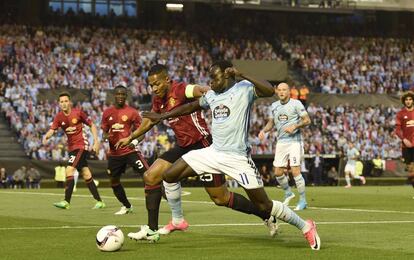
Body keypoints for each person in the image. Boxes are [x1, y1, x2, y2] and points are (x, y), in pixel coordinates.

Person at [143, 61, 320, 250]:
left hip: (238, 158)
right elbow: (190, 107)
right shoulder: (212, 95)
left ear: (228, 75)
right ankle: (178, 220)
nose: (210, 82)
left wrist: (242, 74)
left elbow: (269, 90)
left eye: (214, 77)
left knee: (264, 206)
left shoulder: (244, 89)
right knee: (169, 175)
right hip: (213, 152)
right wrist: (162, 117)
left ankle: (305, 225)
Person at [116, 64, 277, 242]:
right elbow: (149, 122)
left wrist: (220, 92)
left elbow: (202, 90)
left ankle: (265, 214)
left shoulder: (182, 89)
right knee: (151, 176)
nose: (154, 89)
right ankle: (154, 229)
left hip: (203, 144)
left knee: (220, 198)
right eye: (151, 85)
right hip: (183, 146)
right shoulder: (158, 100)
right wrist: (132, 138)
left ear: (167, 80)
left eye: (157, 84)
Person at [43, 92, 105, 209]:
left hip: (81, 145)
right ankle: (100, 201)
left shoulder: (78, 113)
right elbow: (52, 129)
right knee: (86, 173)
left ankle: (66, 202)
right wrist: (47, 136)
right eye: (61, 102)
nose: (64, 104)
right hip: (72, 148)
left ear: (70, 102)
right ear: (59, 104)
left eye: (66, 101)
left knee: (69, 170)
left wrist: (96, 141)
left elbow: (92, 125)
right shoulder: (59, 117)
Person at [259, 83, 311, 211]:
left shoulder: (296, 104)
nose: (282, 92)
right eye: (280, 90)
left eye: (284, 90)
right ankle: (288, 193)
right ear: (277, 92)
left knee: (295, 170)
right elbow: (271, 122)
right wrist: (264, 131)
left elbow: (307, 120)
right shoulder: (274, 106)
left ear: (289, 92)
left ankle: (303, 200)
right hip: (281, 142)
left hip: (295, 141)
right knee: (277, 172)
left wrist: (295, 126)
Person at [102, 83, 149, 215]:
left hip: (130, 151)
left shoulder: (132, 112)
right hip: (114, 154)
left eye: (123, 94)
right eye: (118, 94)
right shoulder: (107, 113)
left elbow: (142, 132)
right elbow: (104, 132)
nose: (120, 96)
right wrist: (106, 137)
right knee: (114, 181)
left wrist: (133, 142)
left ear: (126, 95)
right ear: (114, 95)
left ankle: (168, 199)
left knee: (148, 175)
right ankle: (127, 206)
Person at [395, 91, 414, 196]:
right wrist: (404, 139)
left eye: (410, 99)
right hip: (406, 146)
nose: (408, 101)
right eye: (406, 100)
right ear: (404, 101)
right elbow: (397, 130)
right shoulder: (400, 114)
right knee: (411, 171)